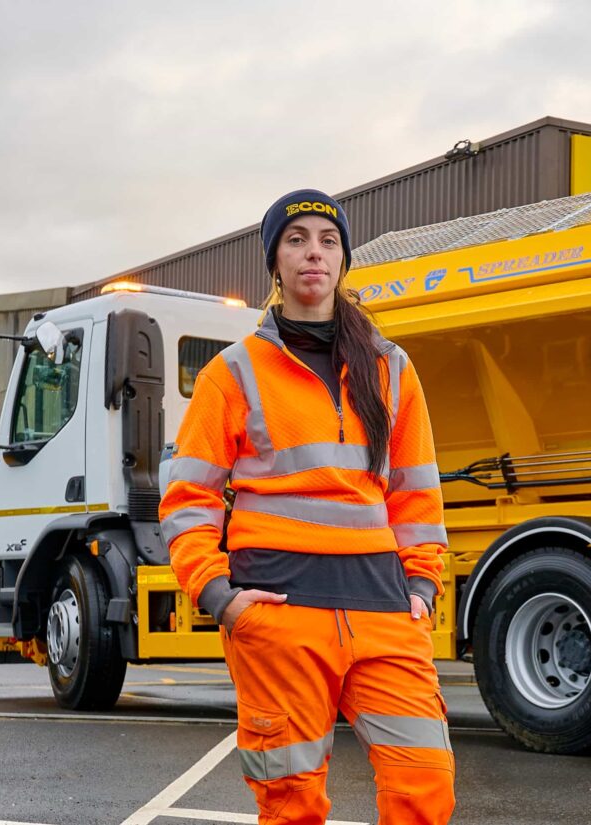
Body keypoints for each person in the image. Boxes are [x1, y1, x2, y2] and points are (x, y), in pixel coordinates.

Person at [159, 189, 455, 825]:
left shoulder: (390, 367)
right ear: (275, 263)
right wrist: (219, 596)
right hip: (278, 610)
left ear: (344, 260)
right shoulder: (231, 373)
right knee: (291, 804)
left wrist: (424, 585)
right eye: (296, 240)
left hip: (383, 607)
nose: (312, 253)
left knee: (425, 788)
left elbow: (415, 489)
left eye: (327, 240)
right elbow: (188, 499)